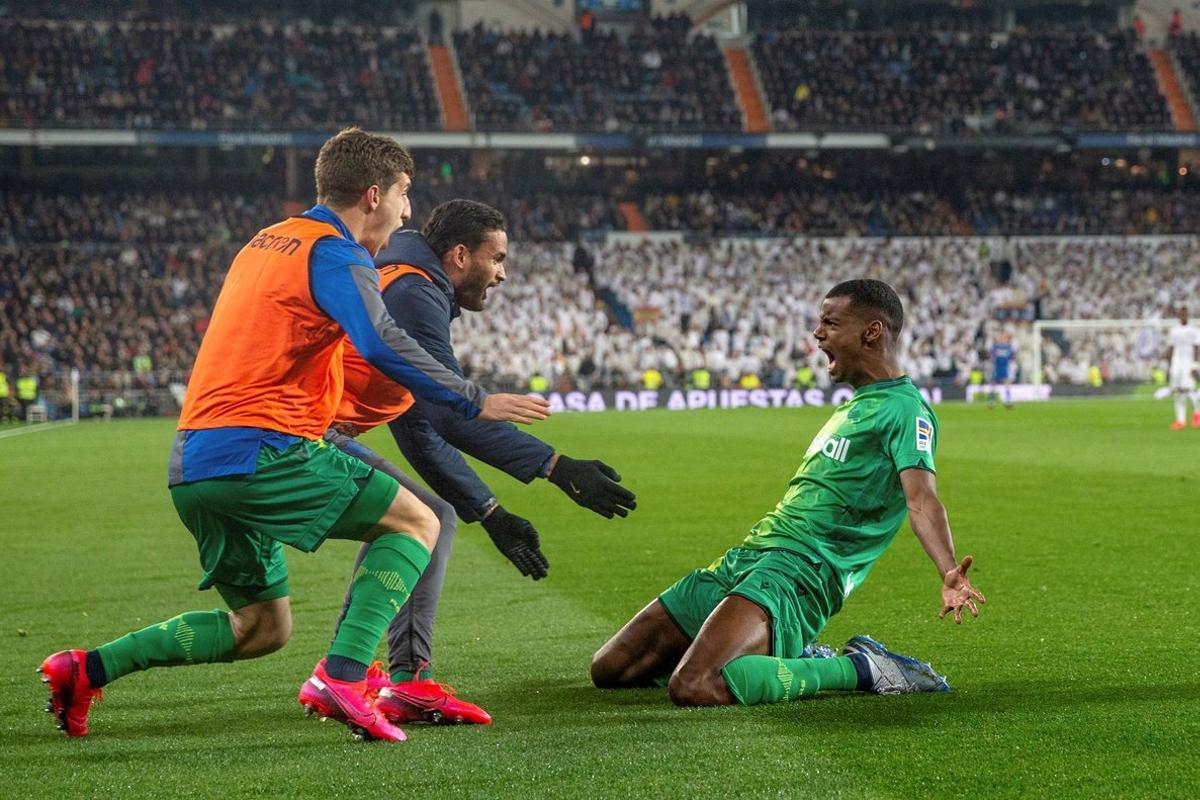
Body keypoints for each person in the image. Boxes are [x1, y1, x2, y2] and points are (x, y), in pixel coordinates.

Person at [39, 128, 549, 742]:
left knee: (261, 628)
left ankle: (86, 669)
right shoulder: (335, 251)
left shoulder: (265, 241)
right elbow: (380, 340)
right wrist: (474, 399)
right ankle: (346, 674)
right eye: (404, 193)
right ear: (371, 194)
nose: (407, 210)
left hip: (194, 464)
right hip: (263, 448)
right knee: (420, 523)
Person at [303, 199, 637, 726]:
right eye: (497, 258)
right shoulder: (415, 293)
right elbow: (448, 415)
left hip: (312, 431)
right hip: (304, 439)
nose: (503, 274)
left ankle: (357, 671)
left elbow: (419, 426)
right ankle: (395, 680)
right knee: (422, 520)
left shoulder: (403, 278)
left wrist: (491, 510)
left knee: (418, 514)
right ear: (459, 255)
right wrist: (554, 466)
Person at [591, 279, 985, 707]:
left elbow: (921, 498)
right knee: (613, 669)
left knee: (695, 685)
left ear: (871, 332)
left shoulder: (905, 409)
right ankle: (782, 652)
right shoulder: (857, 403)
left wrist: (948, 569)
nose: (818, 333)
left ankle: (861, 669)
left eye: (830, 323)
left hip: (804, 569)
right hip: (753, 553)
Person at [1166, 307, 1200, 430]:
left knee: (1189, 389)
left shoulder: (1193, 330)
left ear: (1188, 315)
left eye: (1185, 314)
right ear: (1179, 315)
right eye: (1181, 314)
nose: (1183, 316)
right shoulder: (1173, 331)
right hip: (1177, 363)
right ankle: (1180, 420)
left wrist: (1195, 364)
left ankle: (1196, 414)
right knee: (1178, 390)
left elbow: (1197, 347)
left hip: (1188, 362)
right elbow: (1171, 348)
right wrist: (1169, 366)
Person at [988, 331, 1016, 409]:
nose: (1002, 339)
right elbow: (991, 356)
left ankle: (1008, 401)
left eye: (1004, 338)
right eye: (1001, 337)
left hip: (1005, 368)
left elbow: (1012, 357)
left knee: (1007, 384)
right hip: (996, 367)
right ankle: (991, 402)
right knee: (993, 384)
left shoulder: (1009, 347)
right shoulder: (995, 347)